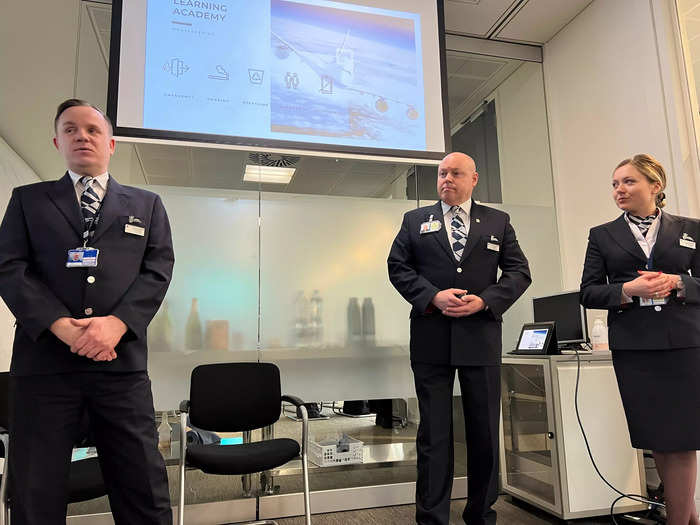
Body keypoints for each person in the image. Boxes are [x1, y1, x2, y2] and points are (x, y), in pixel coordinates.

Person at [0, 99, 174, 524]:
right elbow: (10, 267)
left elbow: (158, 270)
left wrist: (117, 324)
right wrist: (60, 325)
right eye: (71, 129)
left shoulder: (146, 204)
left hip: (121, 366)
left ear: (111, 143)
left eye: (93, 130)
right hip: (44, 368)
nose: (83, 136)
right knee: (35, 489)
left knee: (142, 484)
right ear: (56, 141)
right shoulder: (27, 200)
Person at [387, 152, 531, 525]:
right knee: (434, 434)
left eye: (455, 173)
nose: (446, 179)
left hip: (479, 338)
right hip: (431, 336)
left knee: (483, 431)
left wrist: (486, 300)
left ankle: (480, 513)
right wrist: (431, 296)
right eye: (441, 173)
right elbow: (397, 267)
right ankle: (432, 517)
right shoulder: (415, 220)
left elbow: (518, 272)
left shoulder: (498, 221)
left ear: (474, 179)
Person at [580, 153, 700, 525]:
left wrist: (681, 283)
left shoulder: (691, 228)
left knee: (681, 436)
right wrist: (626, 290)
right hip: (635, 348)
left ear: (655, 186)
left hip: (683, 344)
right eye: (615, 184)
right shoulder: (602, 235)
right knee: (658, 436)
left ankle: (679, 521)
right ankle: (690, 517)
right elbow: (587, 292)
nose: (619, 189)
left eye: (629, 182)